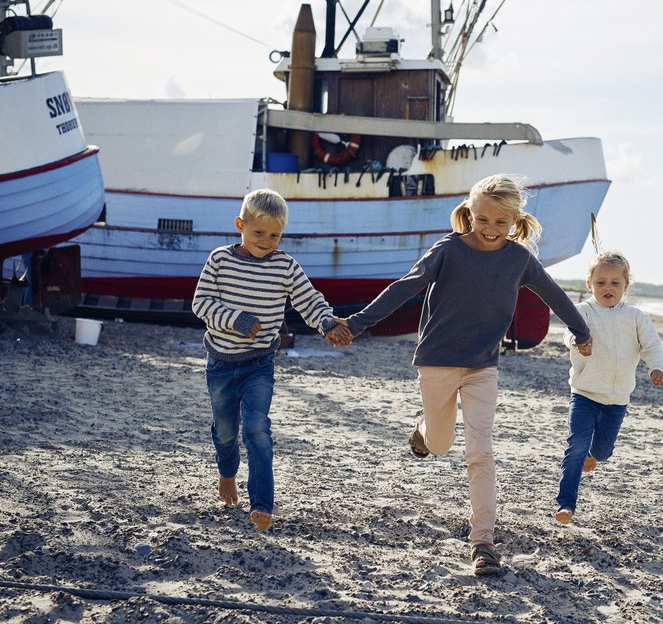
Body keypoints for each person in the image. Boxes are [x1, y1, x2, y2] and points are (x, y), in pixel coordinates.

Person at [340, 174, 590, 577]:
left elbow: (555, 295)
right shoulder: (449, 250)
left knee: (481, 450)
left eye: (501, 223)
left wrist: (581, 331)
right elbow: (405, 287)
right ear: (469, 214)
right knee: (439, 444)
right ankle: (423, 429)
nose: (491, 230)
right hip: (437, 361)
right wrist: (355, 324)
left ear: (514, 221)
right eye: (483, 220)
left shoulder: (519, 259)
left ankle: (483, 542)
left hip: (482, 367)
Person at [192, 188, 352, 532]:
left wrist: (326, 323)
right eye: (258, 232)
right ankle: (227, 473)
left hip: (259, 365)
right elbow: (201, 303)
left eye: (275, 235)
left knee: (257, 430)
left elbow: (309, 300)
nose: (266, 241)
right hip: (220, 362)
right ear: (240, 225)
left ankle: (262, 505)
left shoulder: (285, 266)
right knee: (225, 432)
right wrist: (237, 319)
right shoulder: (220, 260)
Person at [554, 250, 663, 526]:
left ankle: (594, 456)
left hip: (617, 399)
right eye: (600, 282)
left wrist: (658, 367)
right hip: (584, 394)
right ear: (589, 283)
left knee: (602, 451)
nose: (607, 288)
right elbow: (568, 332)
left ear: (626, 285)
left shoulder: (636, 317)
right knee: (576, 446)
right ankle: (566, 504)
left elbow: (651, 345)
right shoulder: (583, 312)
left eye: (615, 283)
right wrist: (576, 341)